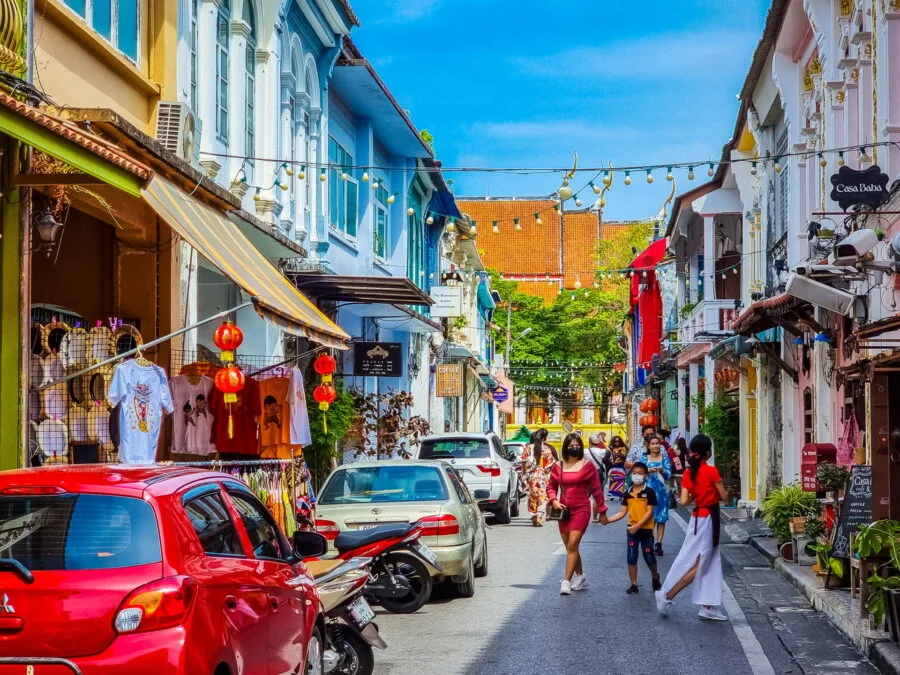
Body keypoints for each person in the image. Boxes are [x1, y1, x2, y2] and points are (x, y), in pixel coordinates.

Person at [656, 434, 730, 621]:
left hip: (697, 517)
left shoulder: (689, 473)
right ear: (708, 452)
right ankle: (667, 595)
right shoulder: (712, 471)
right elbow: (724, 497)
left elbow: (684, 501)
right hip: (709, 519)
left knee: (706, 560)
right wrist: (721, 488)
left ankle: (708, 605)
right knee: (702, 563)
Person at [547, 433, 608, 595]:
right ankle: (580, 576)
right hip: (563, 511)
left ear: (581, 447)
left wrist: (602, 511)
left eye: (577, 444)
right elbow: (551, 487)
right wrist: (553, 500)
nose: (574, 447)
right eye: (570, 445)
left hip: (582, 509)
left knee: (573, 544)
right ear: (565, 447)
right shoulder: (558, 466)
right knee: (570, 547)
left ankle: (566, 581)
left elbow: (597, 490)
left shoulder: (588, 466)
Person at [606, 462, 661, 594]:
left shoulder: (649, 492)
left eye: (640, 473)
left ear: (646, 475)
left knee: (649, 556)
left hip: (646, 530)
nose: (637, 476)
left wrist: (637, 526)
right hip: (632, 530)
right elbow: (622, 512)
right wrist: (607, 520)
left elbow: (649, 513)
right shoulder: (628, 492)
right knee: (631, 556)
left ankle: (655, 576)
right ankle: (634, 584)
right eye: (634, 473)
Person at [642, 434, 672, 555]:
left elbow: (669, 474)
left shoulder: (664, 458)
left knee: (661, 519)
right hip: (647, 493)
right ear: (648, 446)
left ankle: (658, 544)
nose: (655, 446)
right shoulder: (644, 459)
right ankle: (649, 542)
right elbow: (637, 474)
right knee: (649, 518)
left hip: (661, 492)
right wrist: (646, 471)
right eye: (653, 444)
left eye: (657, 443)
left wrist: (662, 470)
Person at [523, 429, 557, 527]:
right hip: (543, 476)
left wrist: (524, 474)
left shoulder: (528, 448)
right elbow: (550, 465)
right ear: (545, 438)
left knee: (532, 496)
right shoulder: (547, 449)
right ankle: (539, 515)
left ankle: (534, 516)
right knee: (542, 497)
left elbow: (523, 462)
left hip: (530, 476)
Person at [606, 435, 629, 499]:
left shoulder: (623, 448)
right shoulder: (611, 448)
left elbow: (624, 455)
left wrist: (624, 446)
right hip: (613, 466)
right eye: (615, 441)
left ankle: (620, 494)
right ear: (613, 441)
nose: (617, 442)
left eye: (618, 441)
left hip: (621, 466)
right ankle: (613, 494)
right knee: (613, 480)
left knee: (621, 479)